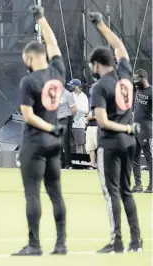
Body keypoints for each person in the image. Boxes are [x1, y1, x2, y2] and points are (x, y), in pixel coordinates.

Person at [12, 5, 67, 256]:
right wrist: (42, 18)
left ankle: (34, 244)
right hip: (55, 144)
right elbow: (53, 42)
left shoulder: (29, 81)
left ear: (31, 57)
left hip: (35, 142)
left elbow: (28, 115)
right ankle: (61, 243)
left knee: (33, 193)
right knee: (56, 193)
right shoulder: (58, 72)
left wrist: (49, 128)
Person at [88, 12, 142, 253]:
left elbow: (102, 121)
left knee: (112, 194)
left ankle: (117, 241)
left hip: (110, 143)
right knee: (127, 191)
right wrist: (100, 24)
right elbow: (119, 44)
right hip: (130, 142)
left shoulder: (99, 86)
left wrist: (124, 126)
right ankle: (136, 241)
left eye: (92, 65)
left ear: (98, 64)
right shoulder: (126, 74)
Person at [131, 69, 152, 193]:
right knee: (135, 158)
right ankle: (138, 185)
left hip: (146, 130)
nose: (136, 83)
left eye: (138, 81)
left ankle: (152, 185)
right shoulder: (137, 88)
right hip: (135, 129)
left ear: (144, 79)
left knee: (149, 158)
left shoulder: (151, 92)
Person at [57, 86, 76, 168]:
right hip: (57, 120)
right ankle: (60, 163)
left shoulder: (67, 94)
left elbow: (74, 109)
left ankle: (68, 163)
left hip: (65, 119)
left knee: (65, 142)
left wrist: (71, 119)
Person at [70, 79, 89, 154]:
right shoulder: (70, 95)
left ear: (76, 86)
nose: (70, 87)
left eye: (72, 85)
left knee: (79, 145)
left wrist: (76, 108)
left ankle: (80, 163)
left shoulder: (83, 96)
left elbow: (86, 110)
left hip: (79, 124)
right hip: (69, 124)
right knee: (70, 145)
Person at [86, 83, 99, 169]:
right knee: (91, 147)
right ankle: (93, 164)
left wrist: (92, 117)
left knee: (99, 147)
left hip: (97, 126)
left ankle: (101, 165)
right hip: (90, 126)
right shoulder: (90, 99)